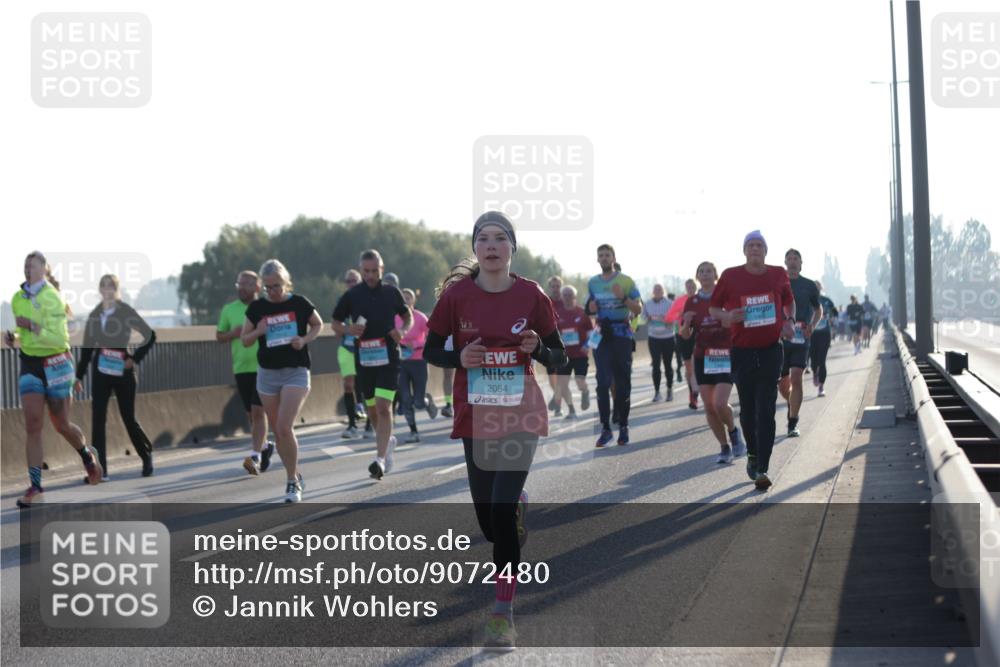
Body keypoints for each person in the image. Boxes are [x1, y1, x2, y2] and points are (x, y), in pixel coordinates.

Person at [424, 211, 565, 651]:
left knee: (500, 514)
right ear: (475, 248)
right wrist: (458, 359)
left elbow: (560, 356)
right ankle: (515, 509)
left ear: (512, 248)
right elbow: (430, 350)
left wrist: (538, 348)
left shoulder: (531, 294)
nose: (491, 245)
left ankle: (503, 615)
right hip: (476, 417)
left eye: (500, 238)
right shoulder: (457, 297)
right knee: (489, 524)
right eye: (483, 238)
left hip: (521, 414)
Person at [9, 251, 102, 507]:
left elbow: (58, 339)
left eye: (32, 265)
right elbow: (24, 333)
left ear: (45, 269)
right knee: (33, 424)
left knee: (61, 425)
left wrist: (31, 326)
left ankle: (86, 455)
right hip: (30, 365)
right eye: (25, 264)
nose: (27, 268)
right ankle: (35, 485)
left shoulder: (53, 297)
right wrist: (14, 337)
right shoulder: (17, 298)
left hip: (56, 364)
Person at [709, 231, 795, 491]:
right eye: (751, 245)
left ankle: (763, 468)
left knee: (766, 409)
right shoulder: (730, 276)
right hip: (742, 352)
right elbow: (714, 308)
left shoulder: (778, 274)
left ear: (765, 251)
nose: (755, 249)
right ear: (744, 251)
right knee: (748, 410)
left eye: (759, 245)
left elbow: (789, 302)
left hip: (771, 350)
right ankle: (753, 454)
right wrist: (728, 317)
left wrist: (789, 321)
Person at [241, 259, 322, 503]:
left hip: (295, 371)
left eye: (276, 286)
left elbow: (317, 324)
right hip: (267, 374)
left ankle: (291, 482)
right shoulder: (257, 308)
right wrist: (259, 331)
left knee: (285, 427)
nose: (272, 291)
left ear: (285, 282)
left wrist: (304, 340)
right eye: (267, 287)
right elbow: (245, 339)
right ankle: (295, 474)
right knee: (278, 431)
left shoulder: (299, 303)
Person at [332, 249, 412, 480]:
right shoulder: (352, 295)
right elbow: (335, 322)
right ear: (361, 270)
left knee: (383, 406)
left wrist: (402, 331)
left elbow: (407, 316)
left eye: (374, 271)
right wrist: (348, 329)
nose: (370, 275)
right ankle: (387, 444)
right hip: (365, 359)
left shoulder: (391, 292)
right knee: (372, 411)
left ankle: (379, 460)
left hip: (389, 357)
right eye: (366, 271)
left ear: (381, 269)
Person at [75, 273, 157, 479]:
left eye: (111, 286)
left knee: (128, 418)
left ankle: (146, 455)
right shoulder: (95, 314)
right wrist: (78, 377)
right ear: (100, 290)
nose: (107, 290)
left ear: (116, 290)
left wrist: (135, 358)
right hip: (101, 372)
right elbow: (87, 349)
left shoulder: (125, 311)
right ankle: (99, 469)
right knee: (98, 419)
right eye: (104, 286)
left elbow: (150, 335)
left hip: (123, 371)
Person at [679, 261, 744, 463]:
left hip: (725, 354)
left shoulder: (725, 296)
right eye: (701, 271)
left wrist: (728, 320)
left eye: (709, 271)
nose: (705, 274)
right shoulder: (691, 302)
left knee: (719, 403)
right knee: (709, 407)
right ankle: (724, 447)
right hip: (702, 356)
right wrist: (686, 323)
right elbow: (685, 335)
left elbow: (739, 321)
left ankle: (733, 431)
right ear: (697, 276)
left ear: (716, 275)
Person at [217, 270, 276, 474]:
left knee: (258, 412)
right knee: (251, 414)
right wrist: (232, 334)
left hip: (264, 366)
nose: (242, 288)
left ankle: (255, 455)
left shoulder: (265, 307)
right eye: (239, 284)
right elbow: (219, 336)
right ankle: (265, 446)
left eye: (247, 284)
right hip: (241, 367)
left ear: (258, 286)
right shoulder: (229, 309)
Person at [587, 245, 642, 447]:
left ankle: (624, 426)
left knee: (622, 382)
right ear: (597, 259)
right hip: (602, 335)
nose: (604, 258)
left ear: (613, 258)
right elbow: (589, 309)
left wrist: (623, 298)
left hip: (622, 335)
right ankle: (606, 429)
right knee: (602, 383)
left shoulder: (626, 281)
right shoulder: (593, 282)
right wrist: (590, 308)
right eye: (600, 255)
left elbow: (638, 309)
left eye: (607, 255)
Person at [778, 249, 821, 438]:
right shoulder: (778, 283)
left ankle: (793, 421)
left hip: (801, 338)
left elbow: (818, 310)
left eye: (795, 258)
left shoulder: (808, 285)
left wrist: (812, 325)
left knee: (796, 378)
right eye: (789, 258)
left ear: (801, 263)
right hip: (780, 339)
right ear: (785, 262)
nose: (792, 261)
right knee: (783, 385)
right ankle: (792, 402)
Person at [397, 287, 438, 442]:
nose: (405, 300)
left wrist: (415, 344)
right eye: (403, 298)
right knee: (406, 399)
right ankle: (413, 432)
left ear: (413, 301)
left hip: (419, 361)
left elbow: (431, 338)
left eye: (408, 298)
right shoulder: (395, 318)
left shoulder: (420, 318)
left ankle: (426, 401)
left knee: (418, 403)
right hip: (401, 363)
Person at [552, 284, 593, 418]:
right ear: (561, 297)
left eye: (570, 295)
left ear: (575, 297)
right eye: (565, 295)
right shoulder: (556, 314)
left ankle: (585, 391)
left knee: (580, 381)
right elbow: (553, 333)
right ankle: (571, 410)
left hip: (580, 354)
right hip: (564, 355)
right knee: (563, 384)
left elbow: (591, 333)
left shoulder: (582, 313)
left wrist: (587, 345)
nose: (568, 298)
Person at [336, 269, 367, 439]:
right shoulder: (342, 300)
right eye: (348, 281)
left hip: (366, 347)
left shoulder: (367, 297)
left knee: (367, 385)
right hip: (346, 348)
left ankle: (370, 423)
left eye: (354, 280)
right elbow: (336, 323)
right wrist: (344, 329)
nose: (351, 284)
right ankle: (352, 425)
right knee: (348, 385)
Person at [642, 284, 674, 402]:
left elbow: (675, 318)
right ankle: (657, 392)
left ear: (663, 291)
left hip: (668, 337)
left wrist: (666, 319)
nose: (657, 291)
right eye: (655, 290)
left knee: (668, 365)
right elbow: (642, 318)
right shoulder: (647, 304)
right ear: (653, 292)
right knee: (656, 365)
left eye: (659, 289)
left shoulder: (669, 303)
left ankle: (669, 389)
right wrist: (648, 318)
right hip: (654, 338)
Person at [810, 281, 837, 397]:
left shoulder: (826, 300)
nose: (816, 289)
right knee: (813, 360)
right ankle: (814, 372)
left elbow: (835, 312)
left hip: (824, 333)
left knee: (822, 360)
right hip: (811, 333)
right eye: (814, 287)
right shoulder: (808, 299)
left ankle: (821, 387)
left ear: (821, 288)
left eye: (818, 287)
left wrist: (831, 318)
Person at [677, 279, 700, 409]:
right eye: (688, 287)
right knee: (689, 368)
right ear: (686, 288)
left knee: (696, 365)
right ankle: (692, 394)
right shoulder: (681, 301)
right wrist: (680, 315)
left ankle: (696, 392)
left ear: (696, 287)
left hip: (699, 333)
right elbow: (669, 316)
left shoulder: (701, 299)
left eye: (692, 286)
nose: (690, 288)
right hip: (685, 335)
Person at [544, 276, 564, 414]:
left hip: (565, 344)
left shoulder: (566, 301)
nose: (556, 289)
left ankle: (558, 406)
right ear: (549, 287)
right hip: (550, 343)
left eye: (558, 286)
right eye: (553, 286)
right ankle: (556, 396)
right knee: (552, 377)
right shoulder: (545, 301)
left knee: (561, 376)